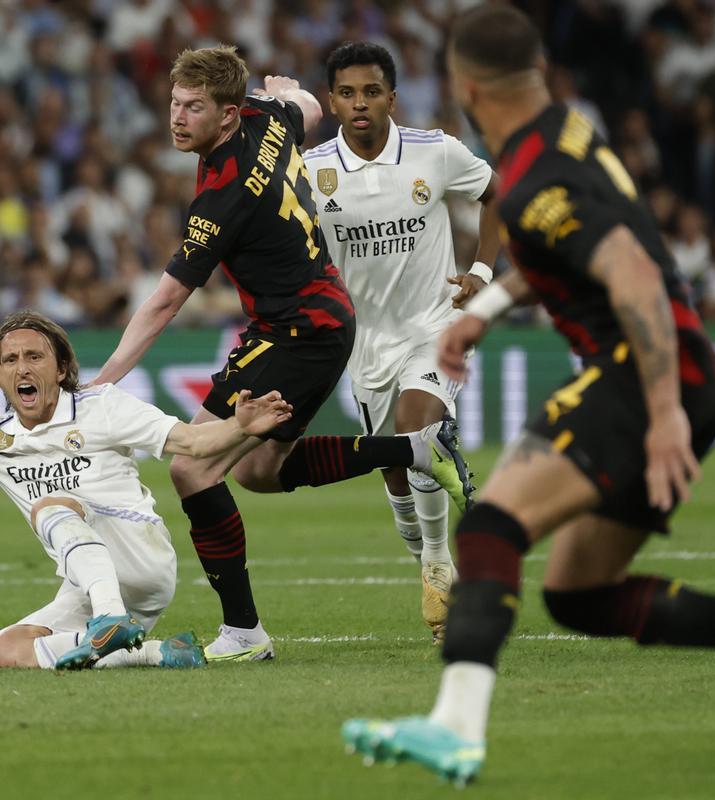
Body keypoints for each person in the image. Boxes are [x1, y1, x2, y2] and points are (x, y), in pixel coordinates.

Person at [342, 5, 715, 785]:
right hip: (678, 374)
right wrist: (486, 308)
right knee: (580, 595)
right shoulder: (566, 135)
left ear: (464, 85)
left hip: (643, 378)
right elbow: (571, 253)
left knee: (491, 532)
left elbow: (634, 275)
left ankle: (455, 727)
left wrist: (665, 412)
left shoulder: (539, 176)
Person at [90, 46, 475, 663]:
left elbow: (163, 304)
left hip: (297, 329)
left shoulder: (222, 196)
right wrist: (287, 90)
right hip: (316, 321)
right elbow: (302, 107)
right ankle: (416, 449)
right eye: (173, 105)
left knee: (193, 467)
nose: (177, 119)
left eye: (193, 107)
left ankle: (244, 633)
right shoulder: (268, 119)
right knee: (257, 472)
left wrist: (103, 382)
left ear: (225, 114)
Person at [0, 310, 295, 672]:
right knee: (5, 650)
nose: (22, 368)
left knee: (51, 505)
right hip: (91, 584)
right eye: (10, 360)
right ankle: (152, 653)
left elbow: (191, 442)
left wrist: (240, 427)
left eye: (34, 356)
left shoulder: (102, 408)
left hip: (140, 557)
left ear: (61, 369)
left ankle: (109, 619)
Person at [303, 41, 501, 643]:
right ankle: (427, 560)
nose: (359, 103)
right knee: (395, 472)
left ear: (392, 96)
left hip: (433, 326)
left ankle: (440, 561)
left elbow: (500, 198)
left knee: (421, 435)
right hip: (363, 343)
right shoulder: (310, 171)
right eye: (346, 93)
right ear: (331, 101)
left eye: (370, 91)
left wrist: (482, 274)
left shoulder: (434, 152)